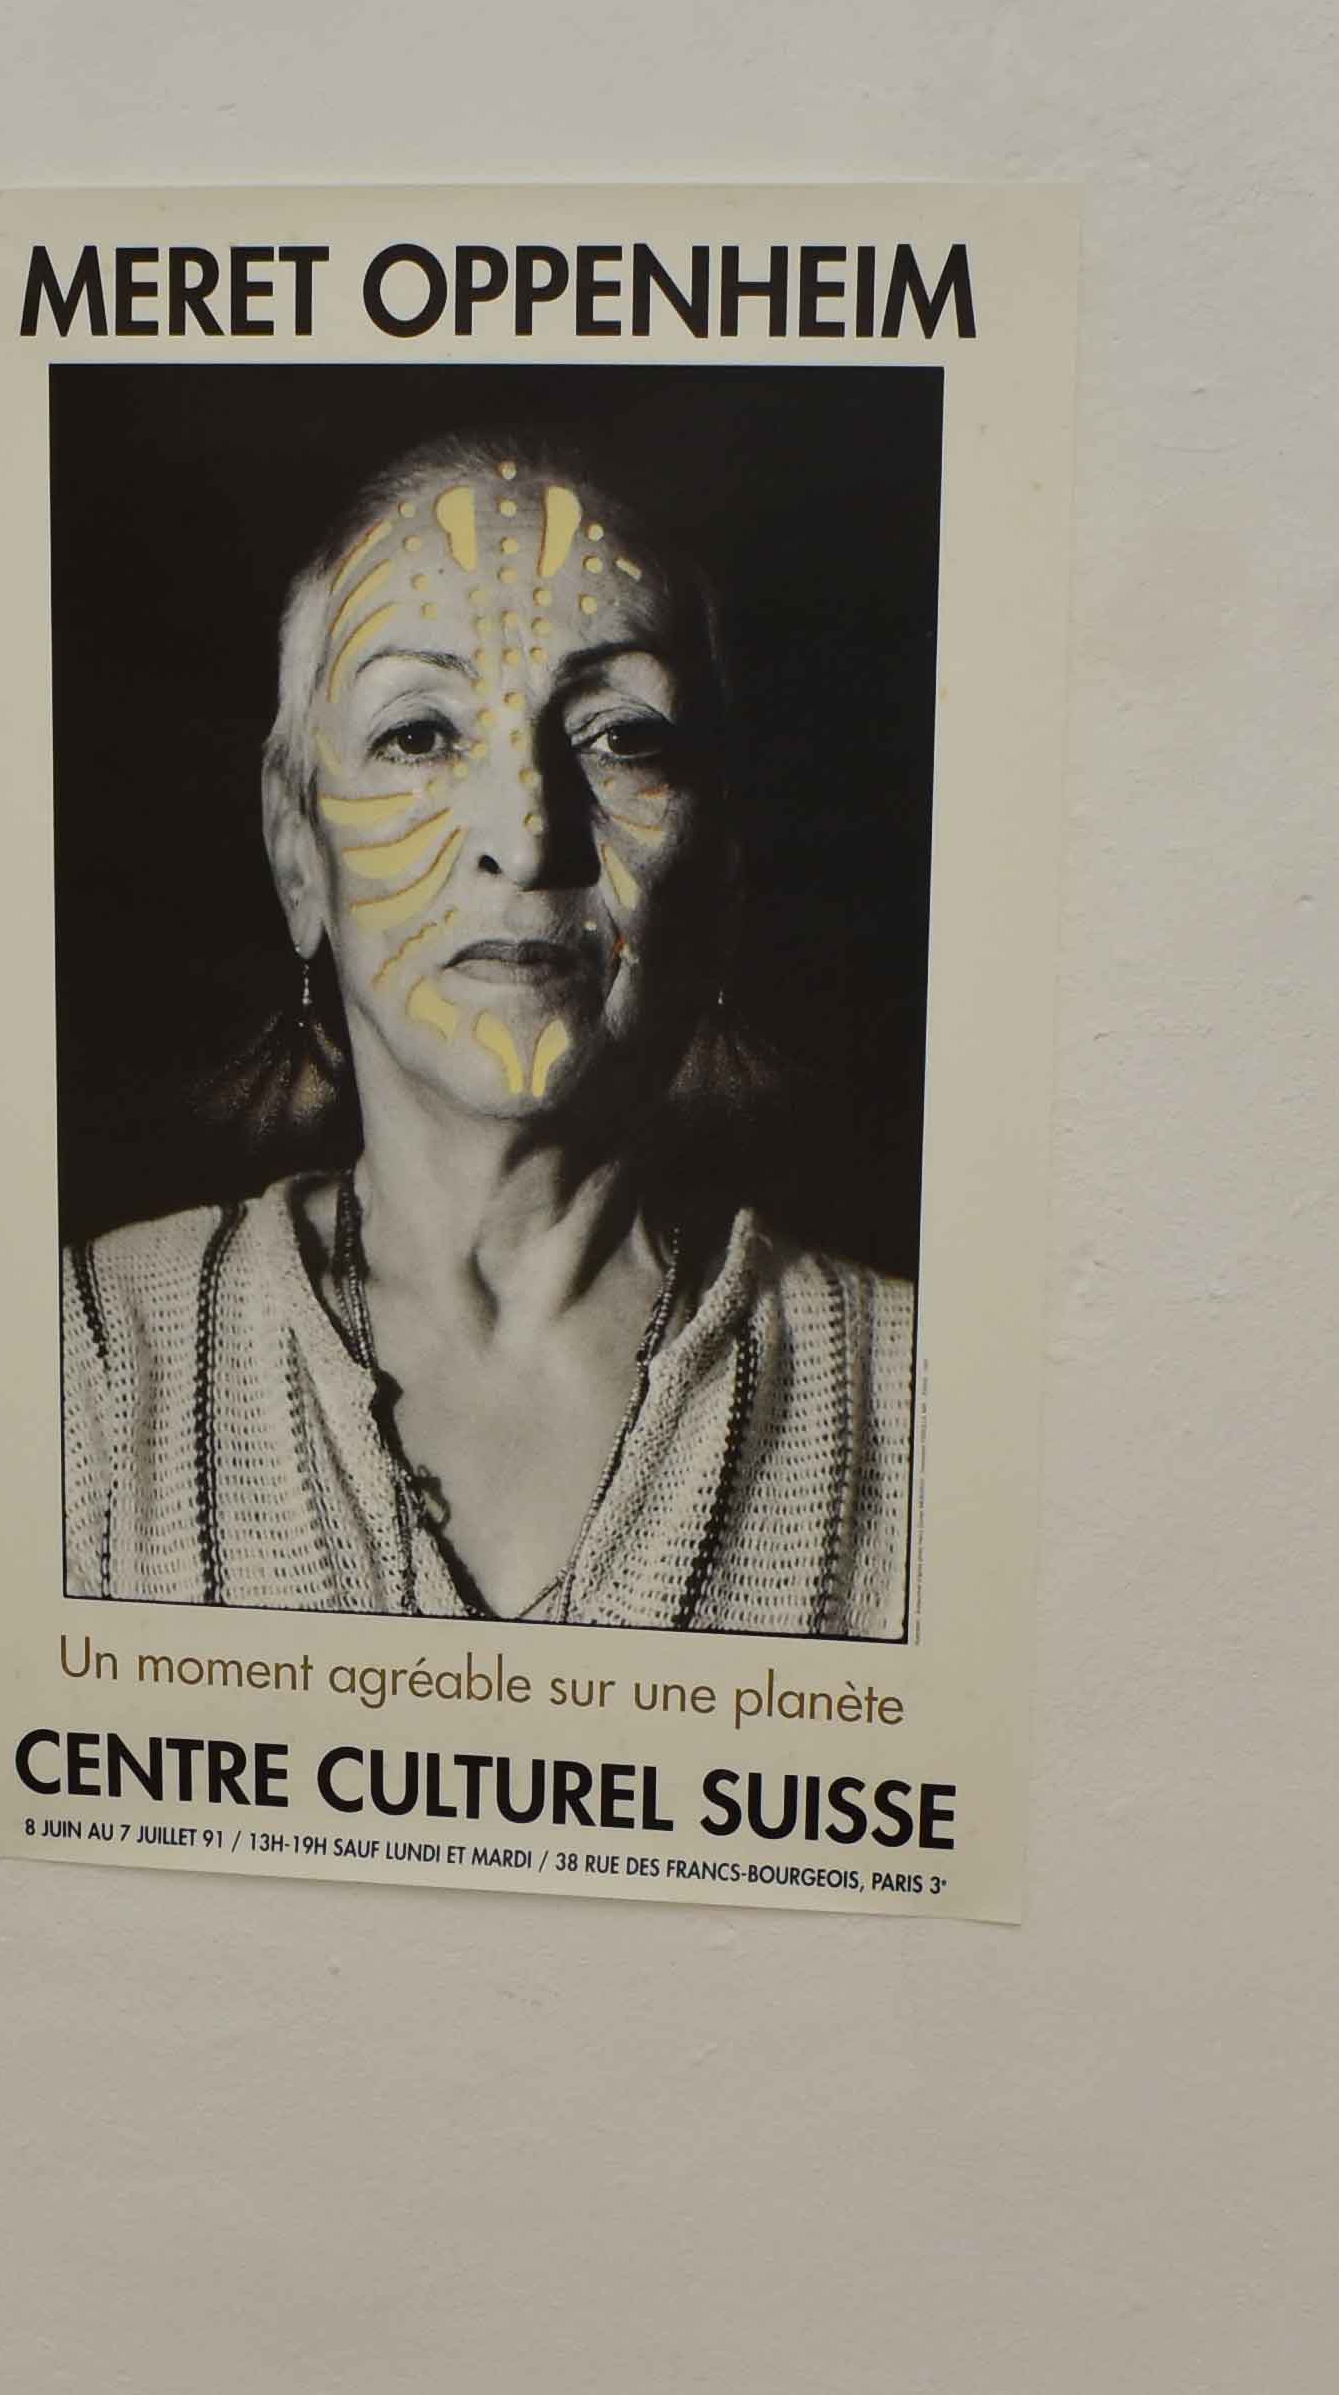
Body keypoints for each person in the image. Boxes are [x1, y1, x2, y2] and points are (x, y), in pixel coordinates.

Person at [60, 433, 915, 1630]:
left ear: (721, 864)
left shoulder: (912, 1398)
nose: (527, 836)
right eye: (418, 734)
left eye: (622, 735)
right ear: (297, 852)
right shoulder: (88, 1365)